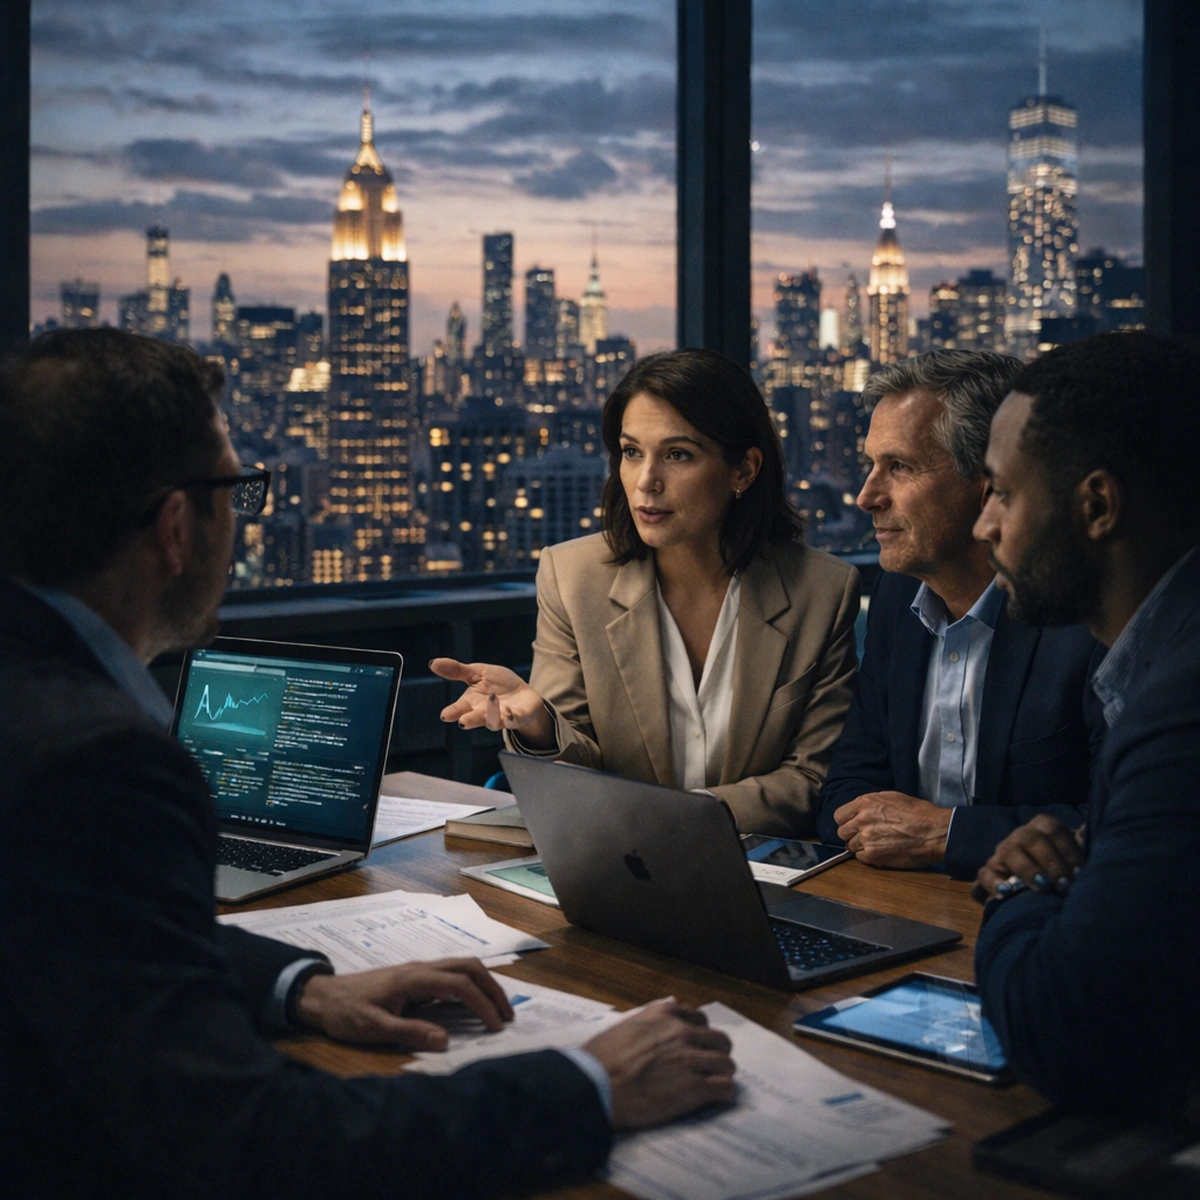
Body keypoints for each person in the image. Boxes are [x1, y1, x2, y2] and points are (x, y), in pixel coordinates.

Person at [0, 329, 736, 1198]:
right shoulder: (95, 760)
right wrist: (591, 1083)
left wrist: (297, 989)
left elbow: (88, 948)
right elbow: (255, 1143)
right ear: (174, 527)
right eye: (239, 489)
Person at [434, 349, 861, 836]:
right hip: (618, 865)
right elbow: (574, 772)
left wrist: (676, 818)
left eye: (677, 455)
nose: (645, 481)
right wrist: (537, 724)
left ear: (743, 470)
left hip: (761, 872)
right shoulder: (573, 577)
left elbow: (812, 778)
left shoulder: (822, 590)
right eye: (632, 452)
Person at [970, 330, 1200, 1116]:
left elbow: (1068, 1032)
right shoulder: (1157, 666)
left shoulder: (1180, 707)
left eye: (1002, 493)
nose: (984, 527)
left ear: (1097, 506)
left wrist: (1020, 892)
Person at [814, 351, 1106, 878]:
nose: (865, 497)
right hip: (901, 906)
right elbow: (847, 784)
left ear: (988, 481)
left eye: (899, 467)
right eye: (870, 465)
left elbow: (1123, 827)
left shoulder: (1085, 621)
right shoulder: (893, 602)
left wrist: (945, 835)